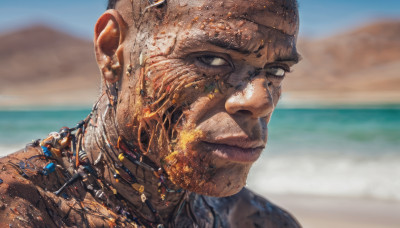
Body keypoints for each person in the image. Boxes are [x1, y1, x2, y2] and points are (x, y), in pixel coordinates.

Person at [0, 0, 301, 227]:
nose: (262, 100)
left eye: (276, 71)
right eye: (211, 59)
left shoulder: (256, 221)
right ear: (111, 48)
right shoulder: (16, 207)